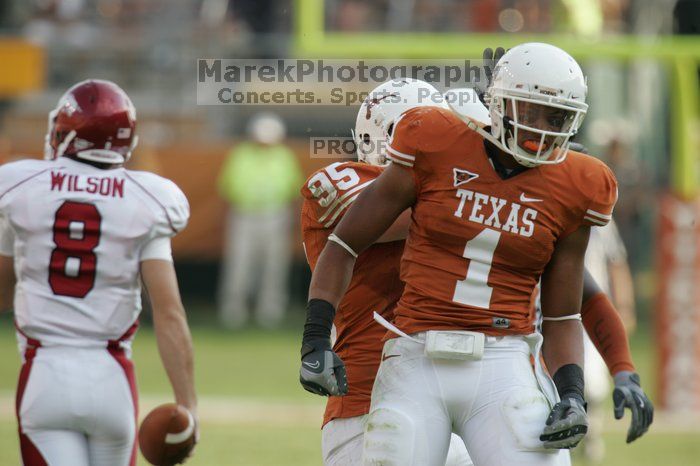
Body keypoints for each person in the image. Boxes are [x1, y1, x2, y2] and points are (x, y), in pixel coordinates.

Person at [302, 78, 653, 466]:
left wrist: (622, 368)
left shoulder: (458, 186)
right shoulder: (341, 182)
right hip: (366, 398)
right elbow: (438, 206)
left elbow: (581, 299)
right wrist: (506, 178)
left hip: (489, 383)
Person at [0, 79, 197, 466]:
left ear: (65, 132)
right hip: (112, 379)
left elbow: (2, 292)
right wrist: (188, 406)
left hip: (45, 373)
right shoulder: (150, 199)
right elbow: (170, 313)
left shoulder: (19, 187)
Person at [218, 113, 303, 329]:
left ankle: (270, 313)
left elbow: (294, 190)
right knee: (240, 263)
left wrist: (292, 220)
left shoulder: (284, 156)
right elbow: (228, 187)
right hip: (244, 213)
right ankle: (233, 311)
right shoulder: (241, 154)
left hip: (275, 214)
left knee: (274, 265)